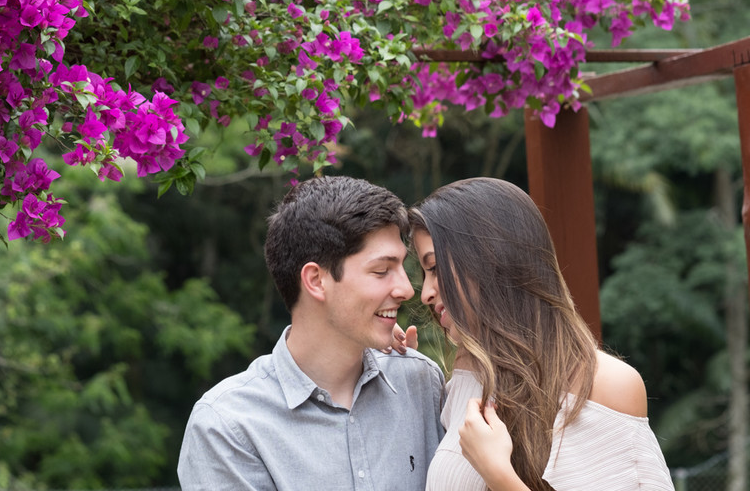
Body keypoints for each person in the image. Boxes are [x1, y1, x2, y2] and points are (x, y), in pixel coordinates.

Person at [178, 175, 445, 490]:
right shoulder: (228, 427)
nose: (406, 289)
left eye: (402, 267)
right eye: (381, 271)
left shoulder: (420, 383)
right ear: (316, 280)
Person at [409, 177, 673, 491]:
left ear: (490, 259)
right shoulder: (468, 369)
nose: (425, 293)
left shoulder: (609, 386)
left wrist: (500, 476)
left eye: (435, 268)